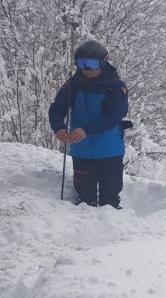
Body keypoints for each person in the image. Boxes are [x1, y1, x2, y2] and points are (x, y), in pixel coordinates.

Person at [49, 40, 129, 208]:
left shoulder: (115, 87)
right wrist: (58, 128)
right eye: (81, 63)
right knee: (85, 200)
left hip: (110, 150)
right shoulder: (73, 84)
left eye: (91, 64)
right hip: (82, 150)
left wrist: (87, 130)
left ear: (103, 62)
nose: (86, 69)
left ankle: (113, 230)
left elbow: (115, 115)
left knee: (110, 200)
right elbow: (57, 109)